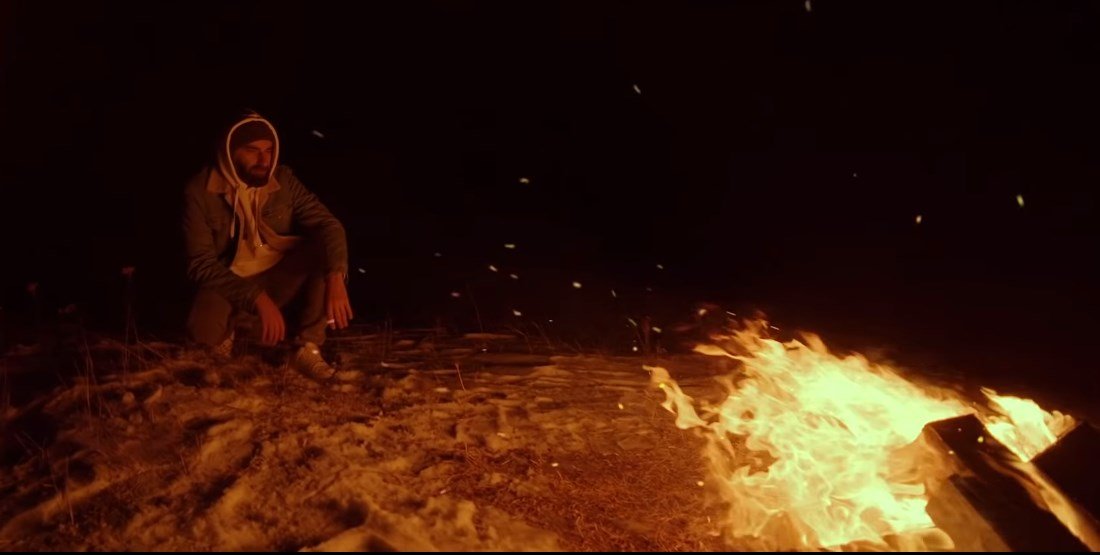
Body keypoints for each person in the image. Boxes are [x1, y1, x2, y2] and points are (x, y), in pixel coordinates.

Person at [182, 111, 353, 379]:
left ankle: (307, 347)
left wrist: (336, 275)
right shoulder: (199, 191)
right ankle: (236, 331)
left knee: (323, 251)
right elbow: (201, 265)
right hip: (228, 281)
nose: (264, 160)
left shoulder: (283, 180)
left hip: (277, 275)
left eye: (269, 150)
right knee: (203, 342)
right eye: (252, 151)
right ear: (229, 152)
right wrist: (257, 298)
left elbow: (328, 225)